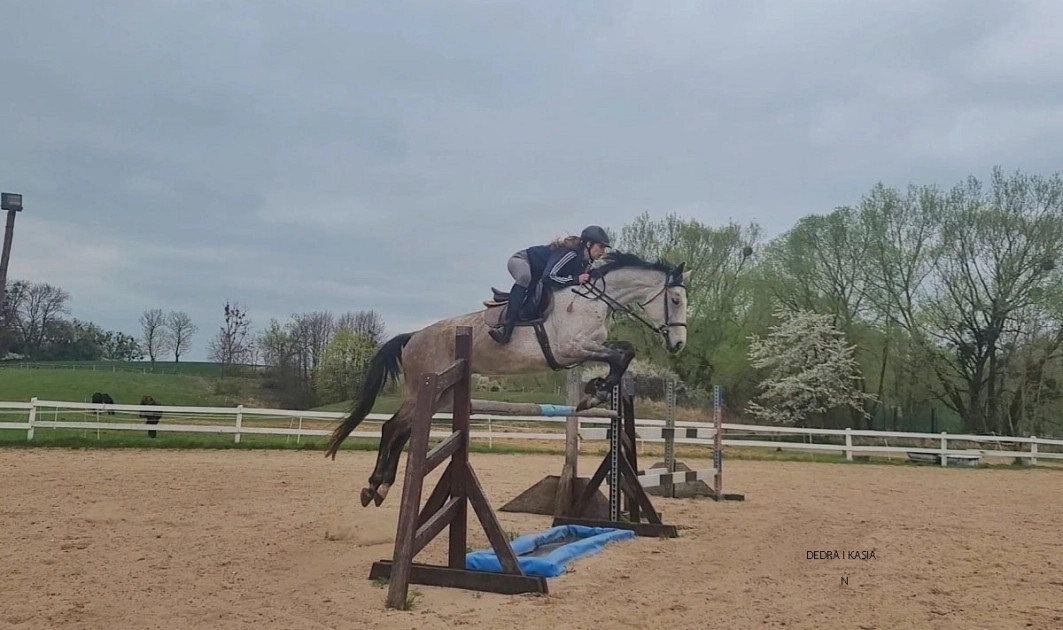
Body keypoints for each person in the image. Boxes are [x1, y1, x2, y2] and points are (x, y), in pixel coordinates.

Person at [489, 225, 611, 344]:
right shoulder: (570, 254)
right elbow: (549, 278)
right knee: (525, 277)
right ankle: (505, 328)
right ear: (589, 244)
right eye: (600, 246)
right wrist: (575, 279)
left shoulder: (586, 262)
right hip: (522, 260)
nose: (602, 251)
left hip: (537, 275)